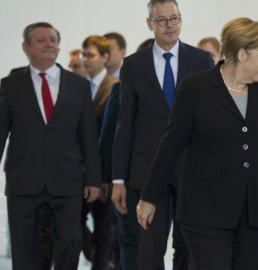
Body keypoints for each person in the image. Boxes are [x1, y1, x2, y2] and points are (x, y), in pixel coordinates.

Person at [137, 17, 258, 270]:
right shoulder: (195, 88)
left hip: (255, 212)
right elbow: (170, 146)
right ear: (241, 54)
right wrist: (149, 197)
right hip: (206, 210)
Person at [111, 0, 214, 269]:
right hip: (147, 169)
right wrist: (118, 179)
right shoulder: (133, 64)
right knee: (149, 248)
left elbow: (211, 120)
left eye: (175, 18)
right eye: (162, 20)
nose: (170, 25)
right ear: (150, 24)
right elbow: (125, 124)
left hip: (191, 168)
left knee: (188, 246)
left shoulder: (201, 59)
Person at [0, 22, 101, 269]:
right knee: (25, 246)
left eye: (53, 40)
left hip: (67, 179)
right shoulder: (9, 85)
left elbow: (88, 135)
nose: (49, 44)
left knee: (70, 240)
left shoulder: (78, 85)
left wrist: (94, 180)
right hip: (22, 178)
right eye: (42, 40)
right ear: (26, 47)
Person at [99, 38, 154, 270]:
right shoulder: (120, 88)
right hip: (130, 181)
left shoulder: (181, 89)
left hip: (168, 182)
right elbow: (110, 136)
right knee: (133, 243)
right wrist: (108, 179)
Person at [81, 34, 119, 269]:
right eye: (84, 54)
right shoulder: (77, 86)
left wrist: (106, 176)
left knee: (104, 229)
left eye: (91, 54)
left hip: (105, 171)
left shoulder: (116, 87)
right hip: (79, 170)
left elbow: (115, 137)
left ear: (105, 57)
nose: (86, 59)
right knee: (73, 225)